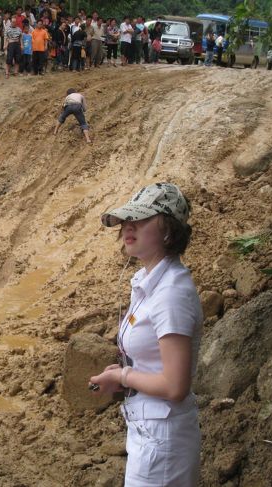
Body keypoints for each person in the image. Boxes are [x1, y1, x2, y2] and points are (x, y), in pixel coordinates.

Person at [90, 182, 202, 487]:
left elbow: (175, 385)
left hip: (163, 443)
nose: (129, 226)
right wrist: (126, 371)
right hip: (150, 433)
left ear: (168, 229)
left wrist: (124, 377)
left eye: (140, 219)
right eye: (127, 220)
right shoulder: (149, 283)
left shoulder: (171, 294)